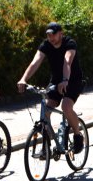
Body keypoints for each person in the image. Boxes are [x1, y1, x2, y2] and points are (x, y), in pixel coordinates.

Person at [17, 22, 85, 153]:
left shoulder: (69, 43)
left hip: (73, 80)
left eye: (53, 35)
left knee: (66, 107)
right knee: (46, 109)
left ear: (61, 33)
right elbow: (35, 62)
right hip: (56, 81)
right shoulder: (46, 45)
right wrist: (23, 79)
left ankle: (77, 135)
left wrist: (65, 80)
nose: (51, 38)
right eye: (48, 35)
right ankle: (46, 145)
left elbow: (67, 61)